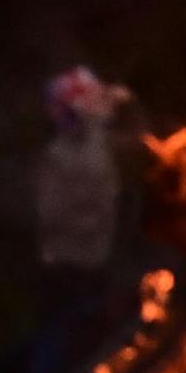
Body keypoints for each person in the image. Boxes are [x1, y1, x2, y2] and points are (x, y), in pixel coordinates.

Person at [32, 66, 139, 356]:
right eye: (96, 103)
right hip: (80, 278)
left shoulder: (98, 145)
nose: (106, 109)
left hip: (97, 271)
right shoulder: (66, 158)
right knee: (77, 349)